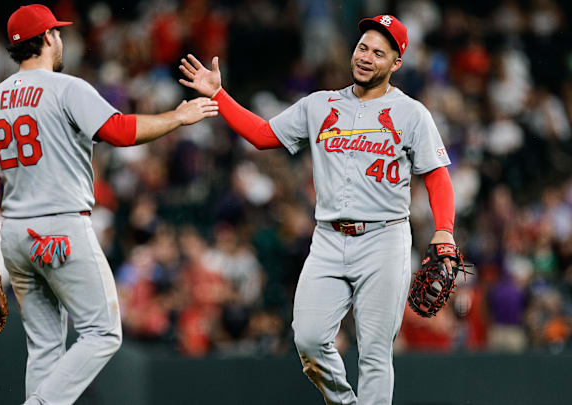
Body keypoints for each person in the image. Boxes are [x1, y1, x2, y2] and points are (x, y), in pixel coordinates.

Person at [180, 14, 456, 405]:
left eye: (379, 53)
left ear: (396, 63)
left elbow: (438, 177)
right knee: (308, 339)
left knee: (375, 353)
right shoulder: (319, 104)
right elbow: (263, 136)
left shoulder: (412, 114)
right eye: (363, 47)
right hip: (328, 237)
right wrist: (218, 96)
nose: (366, 57)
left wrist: (444, 228)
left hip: (384, 239)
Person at [0, 5, 218, 405]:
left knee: (46, 347)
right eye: (58, 33)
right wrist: (178, 116)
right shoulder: (67, 88)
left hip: (13, 236)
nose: (61, 39)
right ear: (48, 37)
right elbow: (117, 132)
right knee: (103, 332)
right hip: (60, 230)